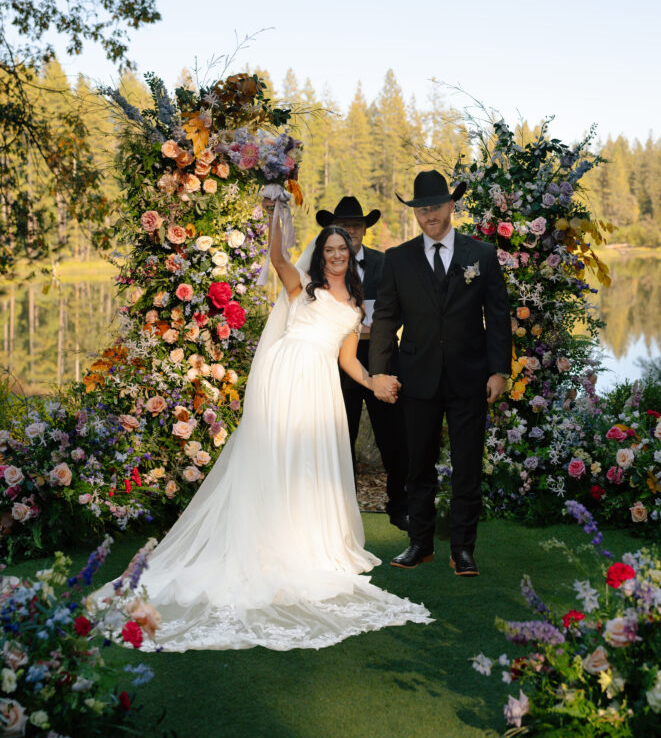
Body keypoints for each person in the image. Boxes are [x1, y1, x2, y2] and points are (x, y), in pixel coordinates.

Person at [95, 199, 431, 651]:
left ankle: (305, 538)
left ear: (350, 255)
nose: (337, 255)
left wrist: (374, 382)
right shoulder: (303, 287)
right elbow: (276, 257)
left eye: (342, 250)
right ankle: (267, 539)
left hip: (321, 384)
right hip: (285, 374)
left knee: (308, 460)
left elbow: (348, 361)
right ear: (320, 255)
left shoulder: (354, 307)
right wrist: (275, 212)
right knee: (278, 454)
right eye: (330, 249)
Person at [369, 170, 512, 578]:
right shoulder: (398, 258)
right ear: (415, 213)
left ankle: (463, 550)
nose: (429, 215)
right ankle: (420, 543)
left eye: (435, 206)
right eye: (421, 209)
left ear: (451, 205)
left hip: (470, 377)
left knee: (467, 467)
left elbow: (497, 316)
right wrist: (378, 372)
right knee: (418, 466)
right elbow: (385, 318)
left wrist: (499, 370)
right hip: (416, 377)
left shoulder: (481, 254)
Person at [316, 196, 409, 532]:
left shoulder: (386, 262)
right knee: (341, 436)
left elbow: (399, 308)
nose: (352, 231)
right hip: (338, 361)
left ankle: (400, 505)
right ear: (333, 230)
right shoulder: (322, 267)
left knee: (393, 436)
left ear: (366, 229)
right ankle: (343, 510)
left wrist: (373, 324)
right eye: (345, 226)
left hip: (381, 357)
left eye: (357, 225)